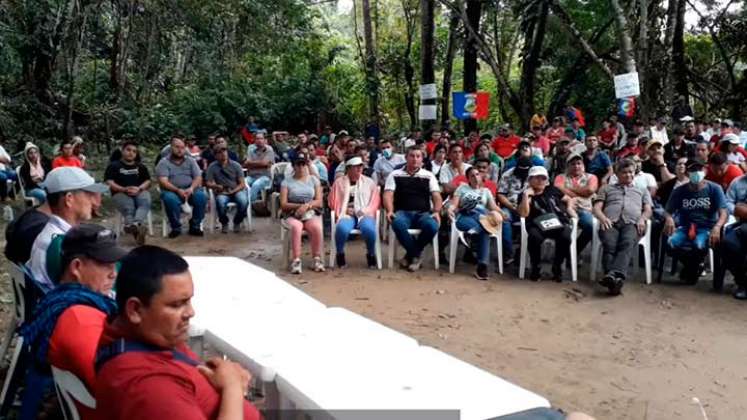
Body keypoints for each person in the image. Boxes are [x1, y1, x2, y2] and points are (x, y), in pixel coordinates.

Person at [93, 245, 261, 420]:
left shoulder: (151, 335)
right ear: (135, 310)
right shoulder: (149, 386)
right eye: (176, 305)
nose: (190, 313)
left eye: (188, 301)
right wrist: (232, 387)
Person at [19, 224, 125, 419]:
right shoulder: (80, 320)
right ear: (76, 267)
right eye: (105, 265)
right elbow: (116, 388)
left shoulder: (61, 299)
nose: (114, 273)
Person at [27, 167, 106, 291]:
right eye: (88, 194)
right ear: (69, 199)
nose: (93, 200)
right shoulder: (63, 246)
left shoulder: (51, 235)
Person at [592, 159, 653, 295]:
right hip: (610, 221)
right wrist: (603, 218)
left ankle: (611, 276)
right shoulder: (606, 188)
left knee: (626, 243)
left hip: (632, 223)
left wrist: (642, 219)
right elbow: (596, 208)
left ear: (634, 174)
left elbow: (648, 210)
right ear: (617, 174)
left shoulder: (642, 190)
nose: (628, 175)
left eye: (631, 172)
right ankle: (615, 280)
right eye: (624, 172)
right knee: (609, 244)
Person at [663, 158, 728, 284]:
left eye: (699, 169)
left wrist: (717, 227)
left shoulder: (714, 188)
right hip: (685, 226)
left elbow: (723, 212)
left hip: (706, 227)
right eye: (693, 170)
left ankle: (690, 270)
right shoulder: (680, 191)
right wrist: (669, 218)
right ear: (687, 173)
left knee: (698, 245)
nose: (696, 172)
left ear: (705, 170)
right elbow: (667, 210)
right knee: (670, 244)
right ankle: (693, 267)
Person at [384, 146, 442, 272]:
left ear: (422, 159)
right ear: (406, 158)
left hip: (423, 213)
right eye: (412, 156)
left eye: (418, 156)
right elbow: (388, 194)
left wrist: (437, 211)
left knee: (432, 226)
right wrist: (389, 210)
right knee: (397, 223)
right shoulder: (395, 174)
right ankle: (416, 255)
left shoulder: (428, 175)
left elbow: (436, 196)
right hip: (402, 212)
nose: (415, 159)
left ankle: (410, 255)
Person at [517, 166, 578, 281]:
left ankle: (557, 266)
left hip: (557, 222)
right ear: (530, 180)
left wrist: (569, 208)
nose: (540, 180)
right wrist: (526, 196)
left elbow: (568, 199)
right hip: (537, 224)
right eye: (536, 178)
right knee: (534, 237)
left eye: (543, 178)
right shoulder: (525, 195)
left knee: (566, 236)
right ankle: (536, 267)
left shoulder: (552, 190)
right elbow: (524, 214)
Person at [447, 167, 503, 280]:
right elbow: (455, 204)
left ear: (480, 176)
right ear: (468, 178)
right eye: (472, 175)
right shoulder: (462, 188)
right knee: (484, 229)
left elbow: (493, 207)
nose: (475, 177)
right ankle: (480, 258)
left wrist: (503, 214)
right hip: (465, 214)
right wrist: (450, 209)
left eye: (477, 174)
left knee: (484, 229)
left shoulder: (486, 191)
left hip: (482, 216)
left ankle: (482, 265)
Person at [328, 156, 380, 268]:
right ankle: (340, 253)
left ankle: (371, 254)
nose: (359, 169)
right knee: (342, 228)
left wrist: (364, 211)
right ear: (348, 168)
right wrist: (343, 209)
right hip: (346, 213)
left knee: (369, 229)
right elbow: (332, 200)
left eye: (361, 166)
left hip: (364, 213)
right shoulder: (339, 183)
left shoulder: (369, 182)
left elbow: (375, 201)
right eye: (356, 167)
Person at [280, 153, 325, 274]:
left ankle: (316, 258)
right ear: (293, 166)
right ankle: (296, 260)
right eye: (298, 165)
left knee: (316, 227)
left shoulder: (314, 180)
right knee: (296, 227)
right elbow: (283, 204)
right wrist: (299, 207)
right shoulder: (286, 182)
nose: (301, 167)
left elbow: (319, 201)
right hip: (291, 213)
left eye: (303, 164)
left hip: (310, 211)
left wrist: (307, 206)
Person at [156, 136, 208, 238]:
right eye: (177, 147)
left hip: (190, 189)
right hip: (172, 190)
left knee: (201, 197)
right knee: (170, 199)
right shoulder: (163, 162)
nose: (180, 150)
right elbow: (163, 181)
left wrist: (192, 188)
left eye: (182, 147)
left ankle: (195, 225)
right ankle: (176, 227)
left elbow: (198, 177)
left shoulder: (191, 161)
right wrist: (177, 190)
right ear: (171, 147)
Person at [105, 140, 152, 244]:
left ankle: (134, 224)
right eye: (128, 150)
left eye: (134, 151)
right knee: (129, 206)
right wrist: (123, 189)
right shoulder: (114, 166)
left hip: (139, 191)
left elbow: (148, 181)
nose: (131, 153)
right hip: (120, 193)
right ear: (122, 151)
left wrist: (139, 189)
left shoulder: (141, 166)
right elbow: (109, 182)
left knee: (145, 202)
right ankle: (137, 229)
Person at [553, 153, 597, 253]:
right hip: (563, 210)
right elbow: (557, 189)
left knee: (591, 226)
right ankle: (562, 256)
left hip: (584, 209)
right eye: (573, 164)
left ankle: (574, 252)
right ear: (567, 166)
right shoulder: (561, 177)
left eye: (579, 163)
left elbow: (590, 190)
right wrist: (582, 193)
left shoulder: (591, 177)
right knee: (562, 229)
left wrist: (567, 188)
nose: (576, 166)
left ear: (583, 165)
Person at [206, 146, 249, 234]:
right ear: (216, 156)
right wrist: (217, 186)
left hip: (236, 190)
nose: (223, 154)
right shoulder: (212, 166)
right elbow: (208, 183)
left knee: (243, 201)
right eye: (220, 152)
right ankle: (224, 222)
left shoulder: (236, 165)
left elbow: (242, 184)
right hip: (222, 191)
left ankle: (237, 221)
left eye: (224, 151)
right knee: (220, 202)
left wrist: (233, 191)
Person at [497, 157, 533, 262]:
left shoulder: (535, 175)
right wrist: (512, 207)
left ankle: (521, 252)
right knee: (504, 219)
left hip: (529, 206)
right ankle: (508, 254)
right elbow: (500, 194)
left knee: (531, 223)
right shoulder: (508, 174)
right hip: (510, 205)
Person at [722, 173, 747, 299]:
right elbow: (727, 202)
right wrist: (736, 210)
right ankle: (742, 282)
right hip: (741, 221)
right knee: (728, 243)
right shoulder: (737, 182)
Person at [0, 137, 18, 202]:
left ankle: (11, 194)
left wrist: (3, 159)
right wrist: (2, 159)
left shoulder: (0, 148)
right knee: (2, 176)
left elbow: (8, 159)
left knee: (17, 175)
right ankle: (4, 197)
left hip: (4, 170)